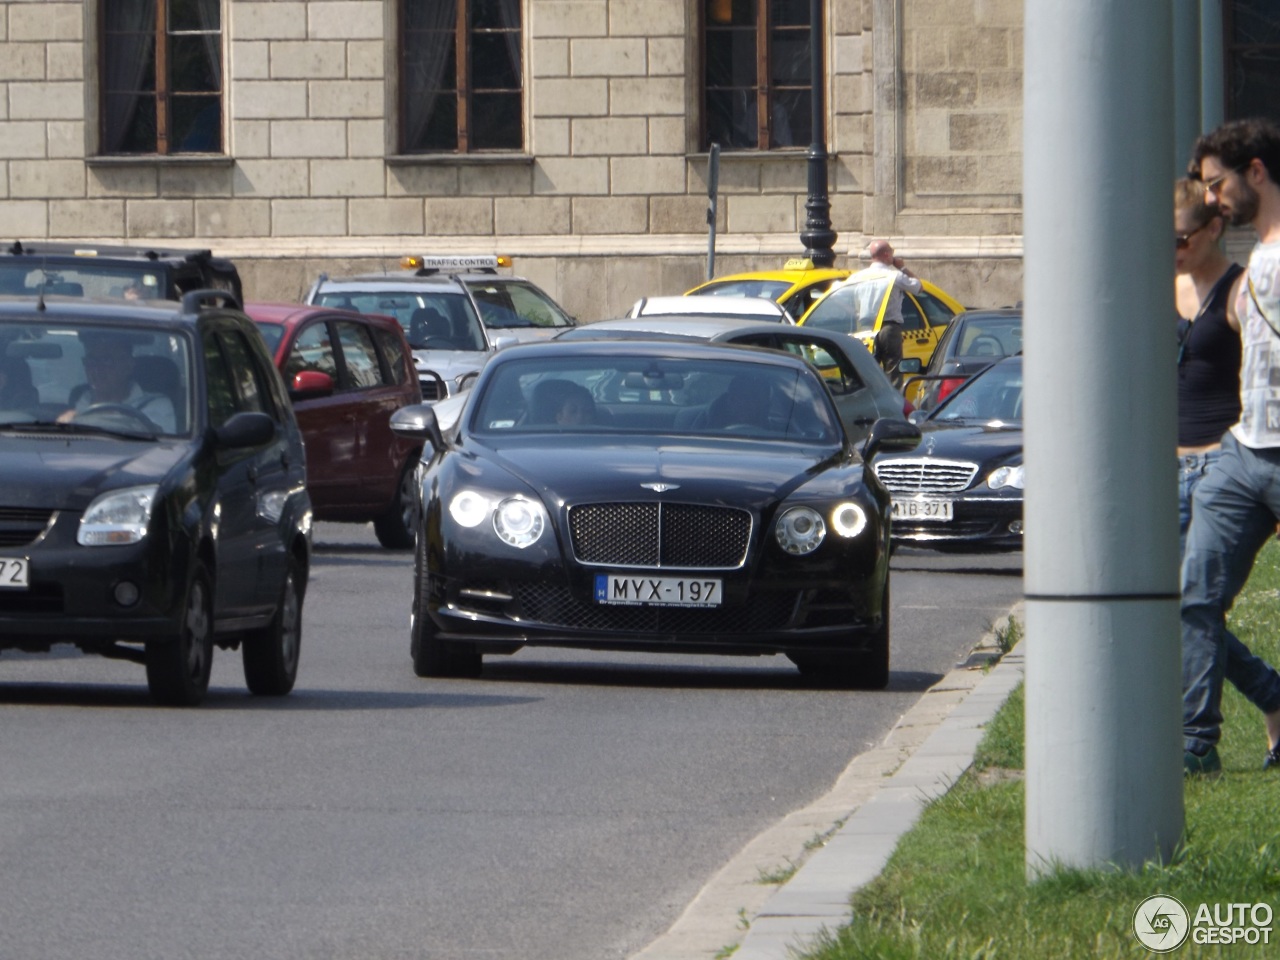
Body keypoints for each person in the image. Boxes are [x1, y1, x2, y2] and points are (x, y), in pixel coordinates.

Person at [1181, 117, 1280, 775]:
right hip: (1245, 456)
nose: (1212, 199)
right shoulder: (1253, 271)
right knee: (1193, 596)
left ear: (1256, 172)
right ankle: (1194, 748)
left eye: (1217, 185)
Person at [1173, 177, 1245, 554]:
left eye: (1182, 239)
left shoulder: (1239, 289)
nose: (1174, 250)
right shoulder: (1161, 285)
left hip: (1218, 461)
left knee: (1201, 593)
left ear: (1214, 227)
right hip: (1164, 465)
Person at [841, 240, 922, 389]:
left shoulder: (856, 278)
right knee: (893, 372)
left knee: (864, 371)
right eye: (892, 252)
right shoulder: (894, 276)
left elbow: (841, 298)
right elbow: (918, 286)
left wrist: (856, 313)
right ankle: (893, 406)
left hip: (864, 329)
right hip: (889, 328)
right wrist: (902, 267)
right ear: (886, 254)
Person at [62, 332, 177, 433]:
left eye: (106, 361)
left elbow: (160, 445)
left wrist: (76, 421)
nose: (96, 369)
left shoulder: (156, 404)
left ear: (128, 365)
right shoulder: (80, 398)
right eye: (91, 361)